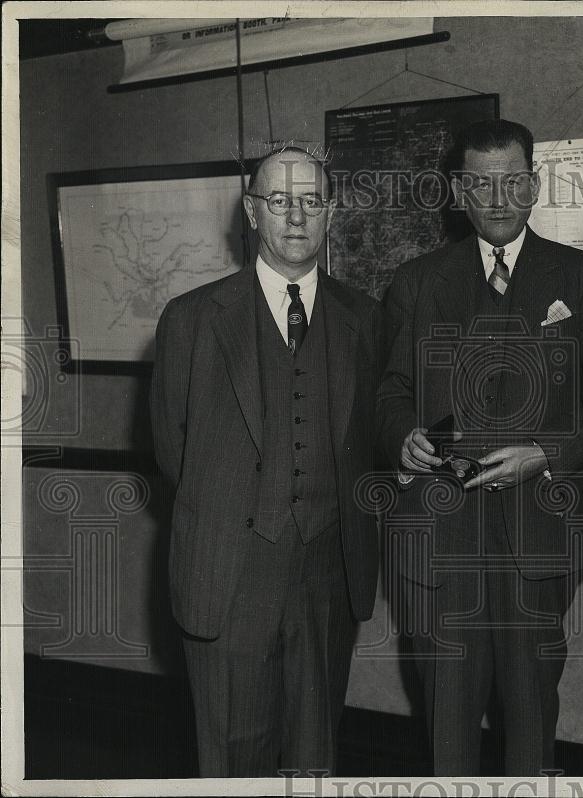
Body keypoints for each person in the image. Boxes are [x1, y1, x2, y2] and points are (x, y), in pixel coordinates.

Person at [377, 119, 583, 775]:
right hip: (439, 538)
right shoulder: (416, 281)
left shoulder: (581, 279)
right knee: (447, 719)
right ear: (459, 191)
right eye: (482, 183)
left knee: (530, 716)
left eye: (512, 182)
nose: (498, 198)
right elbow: (387, 392)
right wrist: (399, 435)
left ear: (534, 186)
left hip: (540, 538)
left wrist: (544, 453)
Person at [150, 146, 382, 777]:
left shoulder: (364, 319)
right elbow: (171, 449)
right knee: (232, 764)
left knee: (314, 762)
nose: (296, 215)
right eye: (279, 200)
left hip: (329, 576)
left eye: (311, 200)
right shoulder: (192, 319)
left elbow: (371, 446)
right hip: (229, 576)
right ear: (252, 212)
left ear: (330, 213)